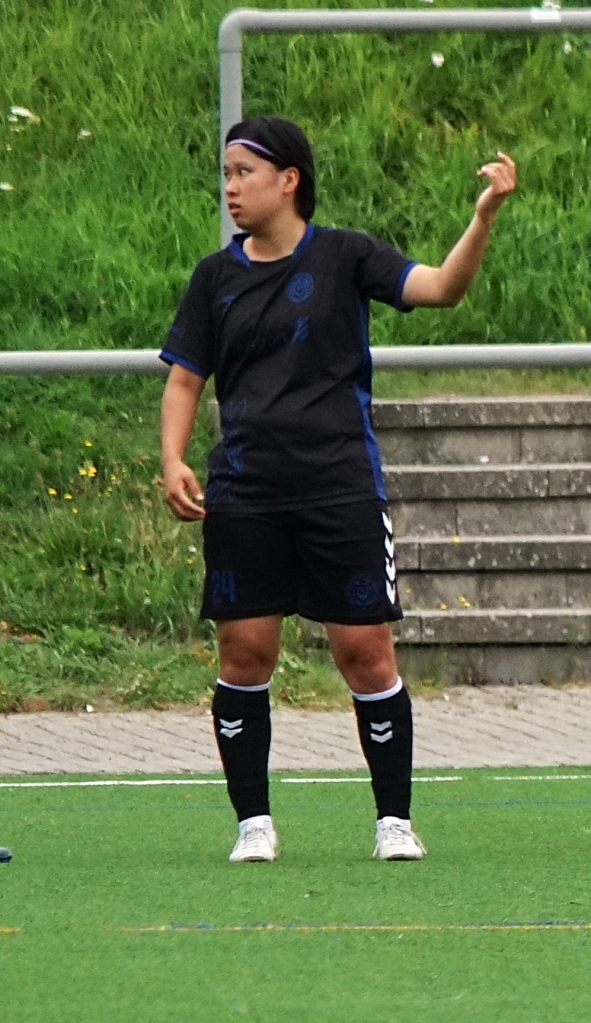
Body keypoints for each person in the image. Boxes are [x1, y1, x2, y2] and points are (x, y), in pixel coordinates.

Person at [160, 116, 517, 864]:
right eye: (225, 174)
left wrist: (483, 218)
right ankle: (253, 823)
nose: (230, 188)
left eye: (244, 172)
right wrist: (173, 458)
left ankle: (394, 821)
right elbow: (186, 378)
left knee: (366, 653)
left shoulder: (347, 256)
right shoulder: (214, 278)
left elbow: (442, 288)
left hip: (340, 487)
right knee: (245, 653)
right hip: (246, 492)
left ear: (289, 179)